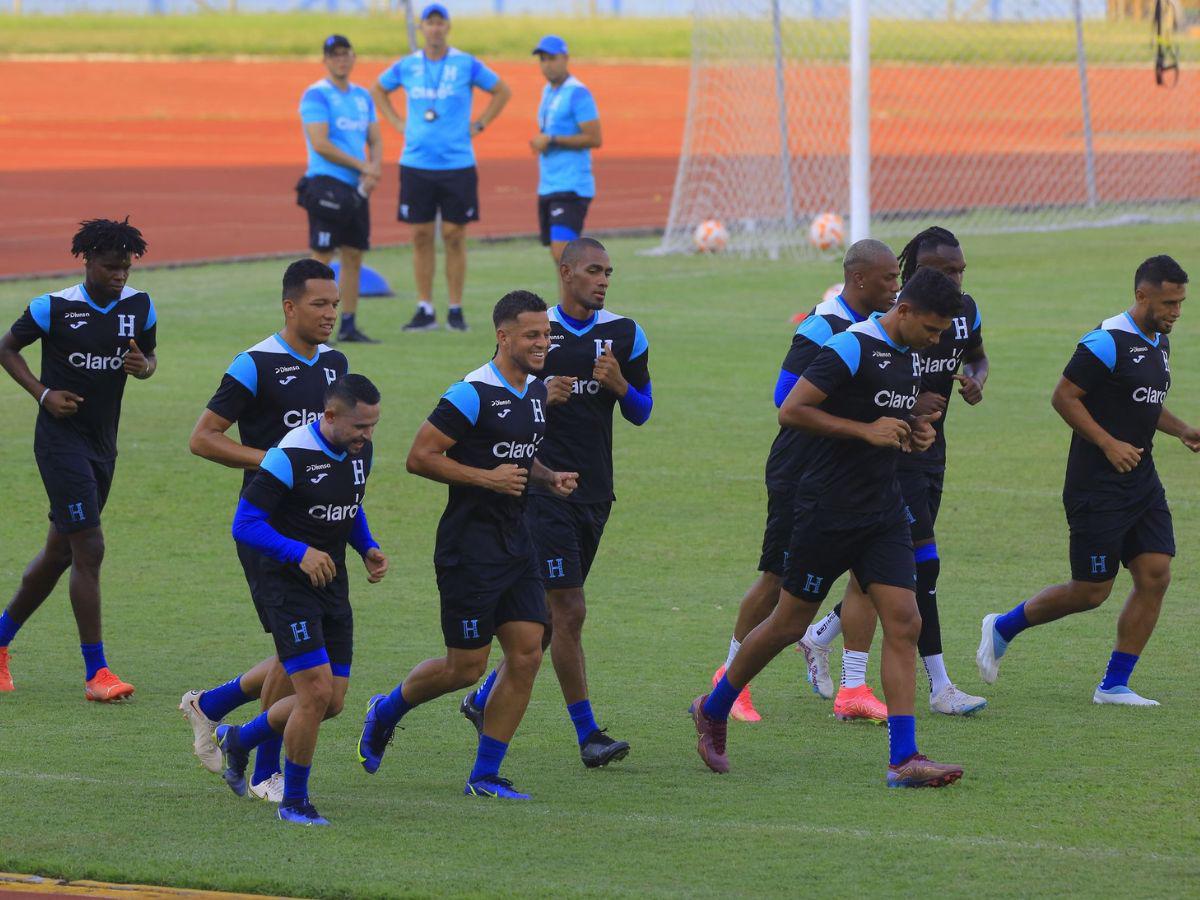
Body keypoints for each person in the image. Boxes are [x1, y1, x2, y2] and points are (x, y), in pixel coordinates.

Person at [690, 267, 966, 789]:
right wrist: (866, 430)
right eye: (931, 330)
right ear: (903, 311)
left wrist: (914, 432)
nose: (936, 341)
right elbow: (792, 411)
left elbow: (887, 415)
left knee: (903, 620)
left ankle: (903, 759)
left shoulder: (910, 354)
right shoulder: (850, 346)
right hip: (827, 510)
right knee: (788, 624)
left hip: (882, 511)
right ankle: (716, 704)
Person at [357, 291, 578, 800]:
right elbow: (419, 456)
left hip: (516, 544)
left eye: (546, 334)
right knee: (466, 668)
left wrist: (547, 478)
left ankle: (484, 775)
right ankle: (386, 709)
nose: (543, 342)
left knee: (526, 654)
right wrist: (488, 479)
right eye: (532, 335)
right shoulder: (471, 393)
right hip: (469, 549)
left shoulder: (535, 393)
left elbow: (518, 461)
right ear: (503, 337)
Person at [461, 239, 649, 768]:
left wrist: (619, 386)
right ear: (565, 272)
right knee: (568, 611)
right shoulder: (536, 333)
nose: (603, 280)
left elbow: (643, 411)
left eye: (608, 272)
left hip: (594, 493)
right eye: (593, 270)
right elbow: (494, 401)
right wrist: (542, 394)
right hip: (542, 492)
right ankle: (588, 735)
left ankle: (481, 699)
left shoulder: (625, 334)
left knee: (546, 619)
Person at [979, 255, 1195, 706]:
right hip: (1096, 485)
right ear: (1142, 295)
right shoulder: (1105, 341)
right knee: (1091, 592)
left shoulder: (1158, 340)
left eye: (1181, 303)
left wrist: (1183, 431)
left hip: (1141, 479)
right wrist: (1107, 442)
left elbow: (1144, 402)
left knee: (1155, 575)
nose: (1176, 311)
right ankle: (1003, 626)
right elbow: (1063, 397)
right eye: (1169, 303)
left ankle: (1114, 684)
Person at [801, 226, 990, 716]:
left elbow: (977, 358)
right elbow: (799, 401)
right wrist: (896, 415)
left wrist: (973, 381)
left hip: (929, 449)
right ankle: (940, 686)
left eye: (959, 269)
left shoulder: (963, 313)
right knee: (921, 566)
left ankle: (819, 637)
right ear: (911, 278)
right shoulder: (876, 330)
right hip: (887, 458)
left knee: (884, 570)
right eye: (942, 271)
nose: (955, 278)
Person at [180, 259, 349, 802]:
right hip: (270, 530)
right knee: (299, 655)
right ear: (289, 306)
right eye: (319, 304)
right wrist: (276, 460)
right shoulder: (255, 364)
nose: (330, 314)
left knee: (302, 651)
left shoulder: (335, 364)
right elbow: (204, 437)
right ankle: (263, 770)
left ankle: (213, 708)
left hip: (324, 530)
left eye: (335, 304)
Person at [712, 240, 897, 724]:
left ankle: (853, 687)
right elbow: (785, 398)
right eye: (888, 279)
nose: (897, 290)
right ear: (859, 280)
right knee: (777, 580)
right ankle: (731, 679)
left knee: (869, 577)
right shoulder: (824, 326)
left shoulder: (884, 329)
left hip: (851, 474)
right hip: (801, 471)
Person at [213, 374, 387, 827]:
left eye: (372, 427)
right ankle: (294, 801)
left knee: (333, 702)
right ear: (330, 416)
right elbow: (245, 524)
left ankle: (239, 739)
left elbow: (349, 503)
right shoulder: (288, 456)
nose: (367, 437)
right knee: (314, 694)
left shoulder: (357, 451)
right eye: (360, 427)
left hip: (331, 582)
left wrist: (366, 546)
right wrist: (300, 552)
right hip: (286, 585)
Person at [0, 218, 156, 700]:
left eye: (126, 268)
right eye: (111, 267)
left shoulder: (140, 307)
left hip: (102, 447)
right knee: (89, 547)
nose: (120, 277)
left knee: (58, 554)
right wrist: (42, 392)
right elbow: (6, 348)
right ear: (86, 261)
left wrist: (143, 368)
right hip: (59, 444)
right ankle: (97, 673)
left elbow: (148, 359)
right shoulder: (54, 307)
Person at [371, 4, 512, 333]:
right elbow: (378, 89)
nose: (434, 29)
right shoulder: (408, 65)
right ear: (422, 28)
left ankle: (455, 308)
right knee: (420, 235)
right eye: (429, 23)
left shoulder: (465, 63)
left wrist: (480, 124)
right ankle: (424, 307)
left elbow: (501, 90)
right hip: (416, 163)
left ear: (447, 27)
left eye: (439, 23)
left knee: (454, 235)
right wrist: (395, 121)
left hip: (457, 163)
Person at [298, 35, 383, 344]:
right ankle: (309, 324)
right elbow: (320, 143)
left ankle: (348, 323)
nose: (341, 60)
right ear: (325, 60)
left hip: (357, 186)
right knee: (321, 255)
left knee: (354, 254)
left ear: (353, 57)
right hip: (327, 184)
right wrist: (364, 167)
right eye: (334, 55)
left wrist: (374, 168)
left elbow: (374, 137)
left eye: (346, 54)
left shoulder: (363, 97)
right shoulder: (316, 95)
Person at [530, 36, 601, 266]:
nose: (547, 64)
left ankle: (579, 303)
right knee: (560, 257)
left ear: (566, 58)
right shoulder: (547, 91)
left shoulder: (578, 93)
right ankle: (569, 303)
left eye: (552, 58)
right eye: (543, 59)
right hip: (549, 183)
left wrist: (552, 140)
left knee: (565, 255)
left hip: (571, 184)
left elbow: (594, 137)